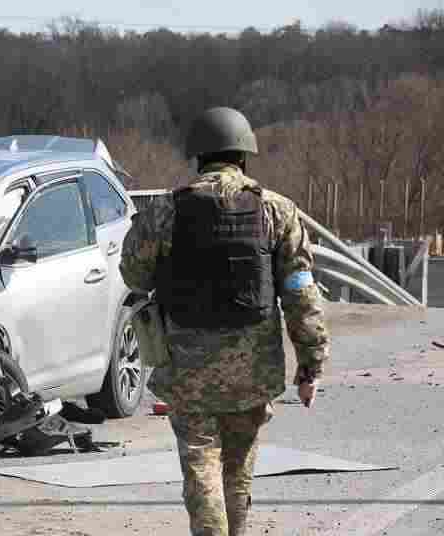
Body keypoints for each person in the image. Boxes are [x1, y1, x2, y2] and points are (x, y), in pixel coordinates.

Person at [119, 107, 330, 536]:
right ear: (244, 155)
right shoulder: (277, 211)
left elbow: (133, 274)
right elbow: (301, 292)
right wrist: (310, 365)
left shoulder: (166, 211)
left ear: (198, 156)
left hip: (188, 369)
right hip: (253, 371)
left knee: (202, 470)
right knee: (238, 472)